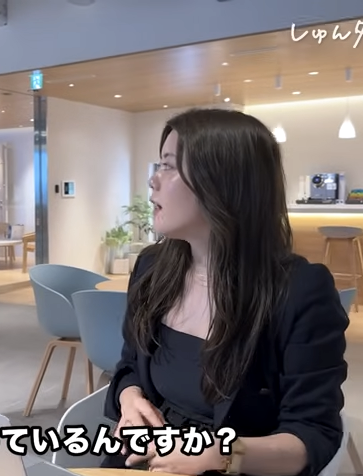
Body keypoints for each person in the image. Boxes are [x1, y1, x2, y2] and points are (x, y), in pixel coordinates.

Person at [102, 108, 348, 475]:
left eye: (169, 166)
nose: (153, 179)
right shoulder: (152, 267)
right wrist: (130, 397)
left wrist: (220, 454)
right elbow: (129, 366)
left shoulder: (299, 291)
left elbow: (313, 435)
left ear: (221, 182)